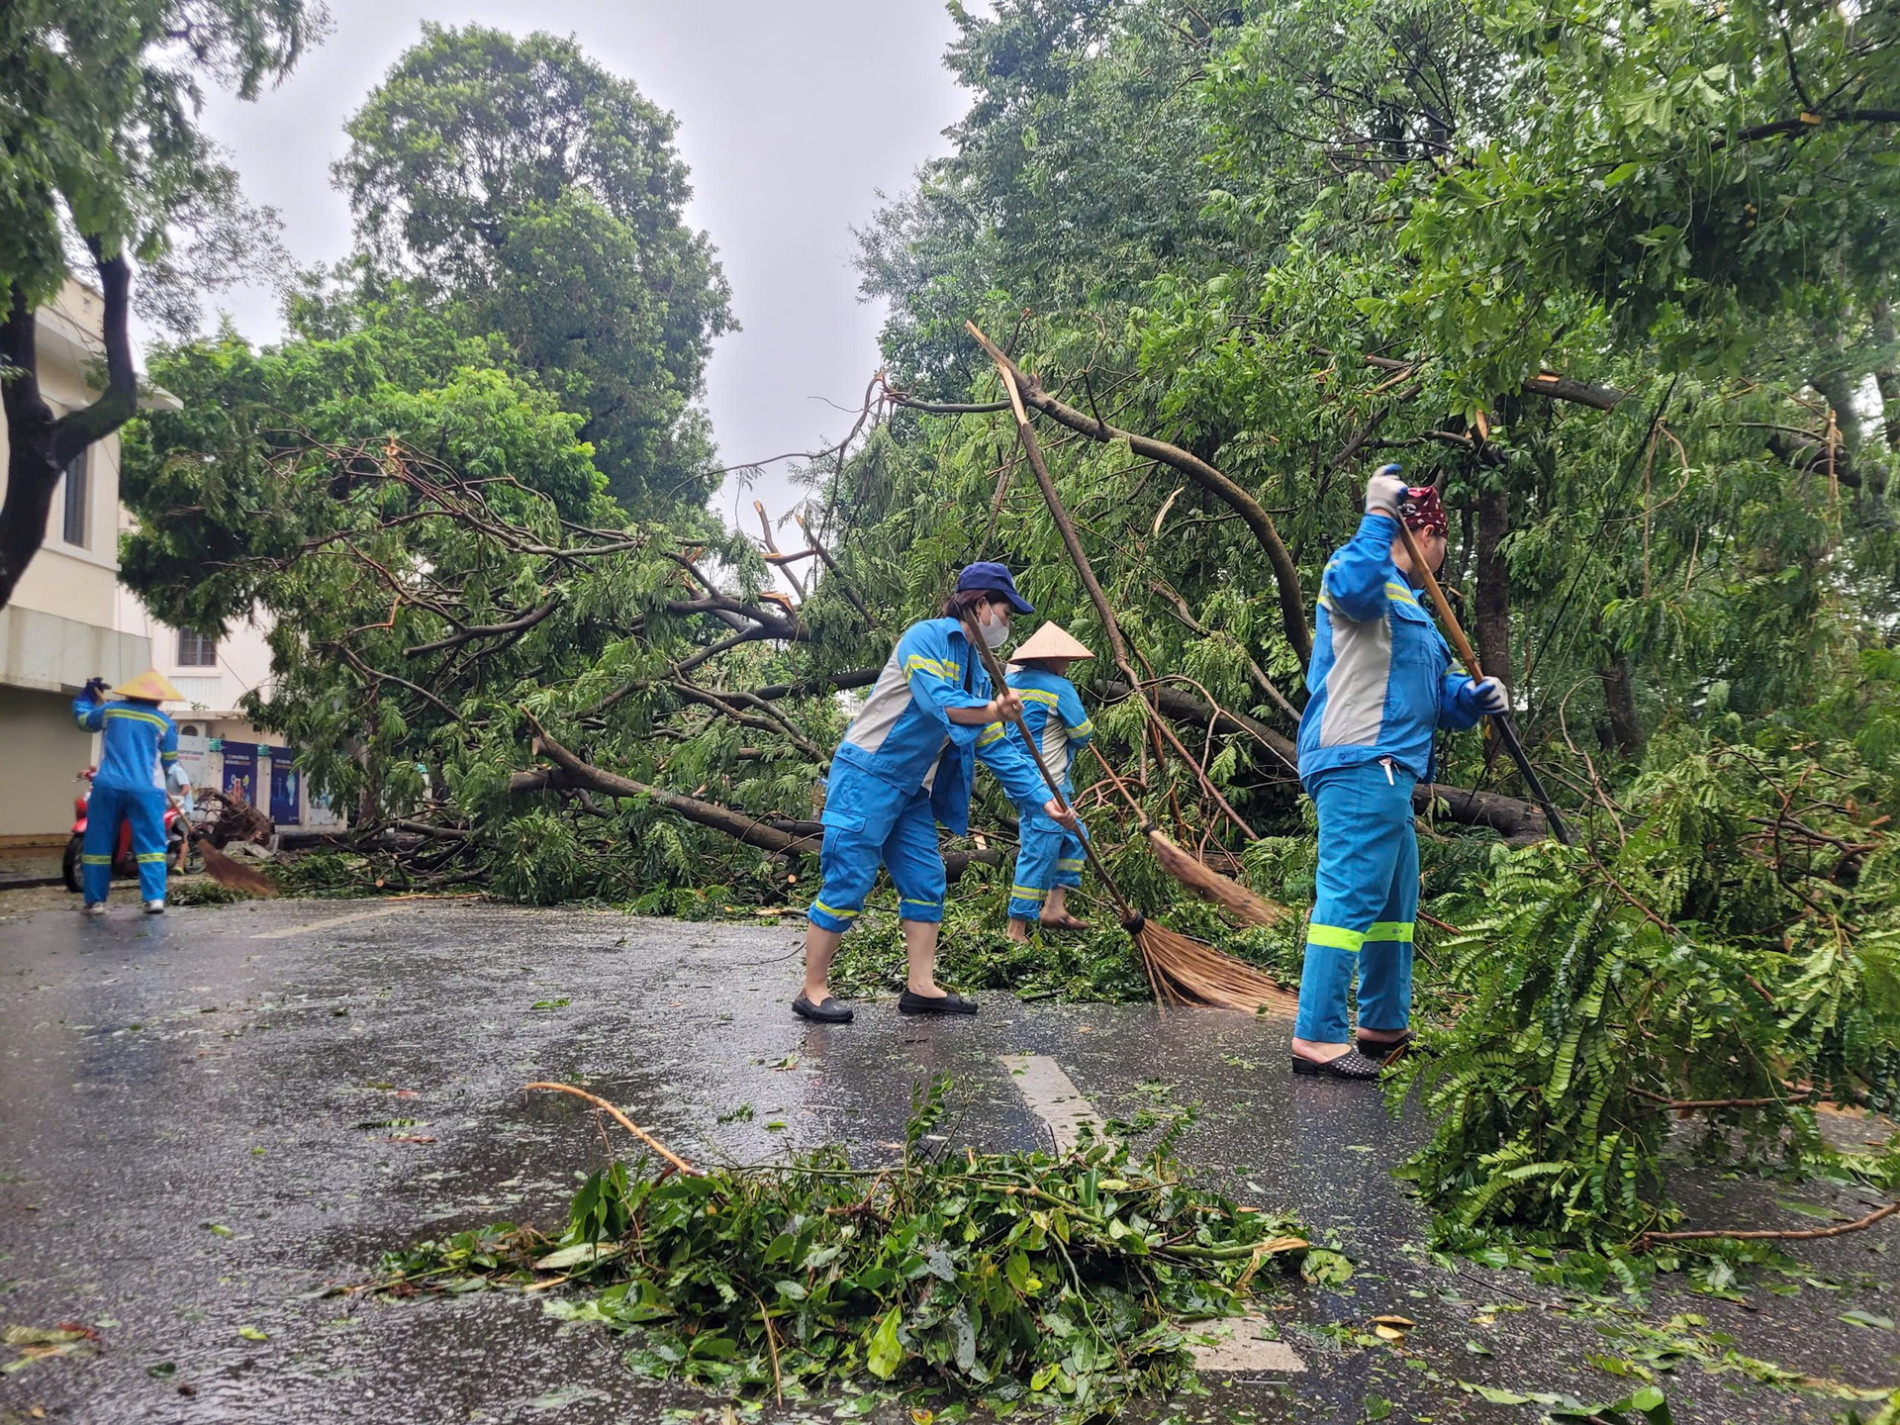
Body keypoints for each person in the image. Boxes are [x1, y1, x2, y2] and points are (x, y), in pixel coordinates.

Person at [1289, 466, 1509, 1078]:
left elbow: (1434, 699)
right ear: (1427, 536)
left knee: (1393, 902)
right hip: (1362, 758)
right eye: (1443, 540)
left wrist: (1473, 697)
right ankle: (1318, 1037)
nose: (1445, 554)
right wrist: (1379, 515)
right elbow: (1355, 587)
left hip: (1393, 770)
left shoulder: (1417, 608)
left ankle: (1382, 1026)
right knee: (1352, 895)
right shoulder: (1365, 573)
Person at [796, 562, 1079, 1024]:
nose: (1007, 624)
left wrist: (1041, 799)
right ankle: (813, 989)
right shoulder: (924, 638)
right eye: (1006, 612)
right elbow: (935, 698)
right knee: (848, 878)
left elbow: (997, 748)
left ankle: (921, 987)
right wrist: (990, 709)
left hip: (913, 790)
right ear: (980, 605)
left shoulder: (980, 671)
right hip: (868, 774)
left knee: (927, 880)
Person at [1002, 622, 1096, 940]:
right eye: (1065, 660)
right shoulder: (1059, 688)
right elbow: (1083, 735)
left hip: (1018, 779)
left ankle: (1054, 908)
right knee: (1040, 848)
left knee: (1075, 837)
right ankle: (1016, 929)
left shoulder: (1010, 683)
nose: (1068, 666)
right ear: (1051, 659)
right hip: (1045, 782)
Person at [72, 669, 183, 915]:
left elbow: (83, 721)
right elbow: (168, 761)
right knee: (151, 844)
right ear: (159, 699)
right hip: (147, 790)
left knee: (98, 843)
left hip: (108, 785)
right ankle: (154, 899)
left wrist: (87, 696)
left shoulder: (111, 710)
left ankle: (95, 902)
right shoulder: (164, 722)